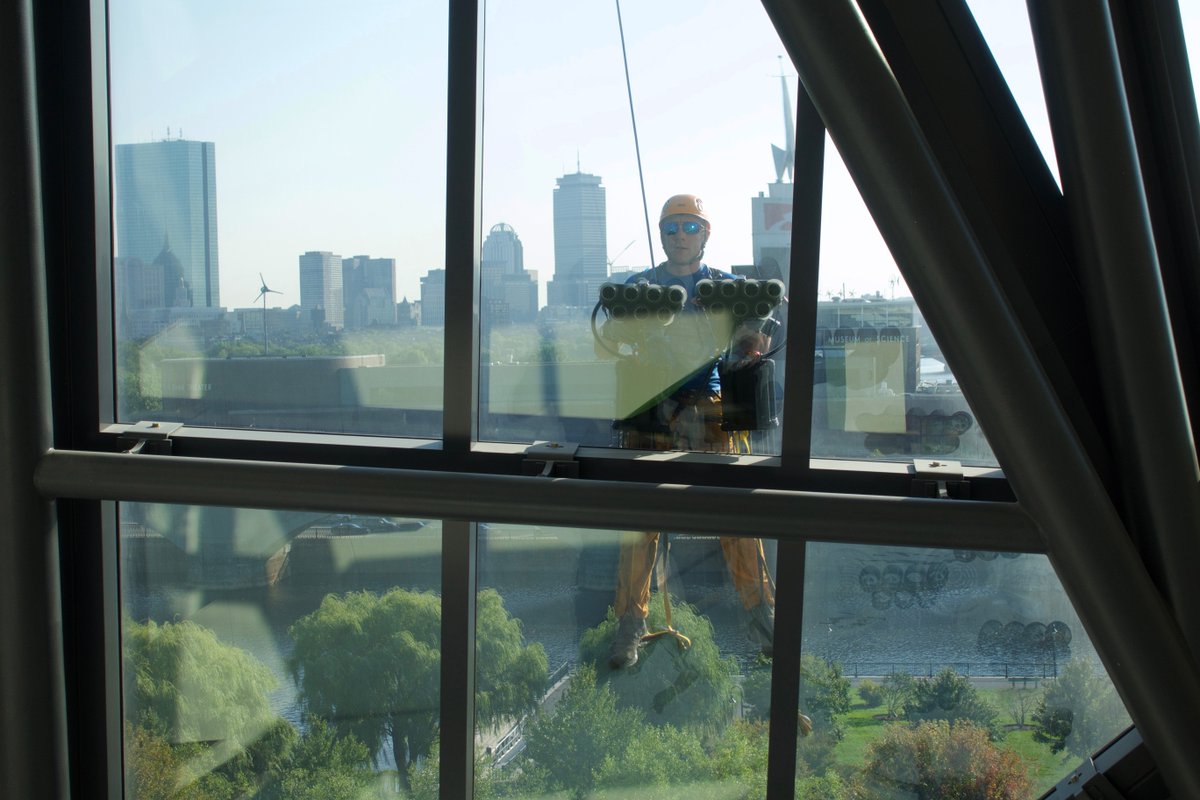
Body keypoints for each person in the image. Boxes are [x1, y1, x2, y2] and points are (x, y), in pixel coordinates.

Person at [597, 193, 777, 669]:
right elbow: (608, 341)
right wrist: (631, 328)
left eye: (689, 227)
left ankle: (763, 618)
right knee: (639, 523)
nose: (680, 235)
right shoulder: (642, 287)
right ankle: (631, 624)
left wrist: (753, 338)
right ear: (662, 235)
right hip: (654, 408)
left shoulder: (722, 287)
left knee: (737, 515)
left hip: (707, 404)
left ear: (706, 234)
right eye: (672, 228)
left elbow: (760, 327)